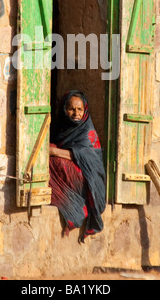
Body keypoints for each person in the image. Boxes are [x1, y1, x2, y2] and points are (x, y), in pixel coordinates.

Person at [49, 90, 106, 242]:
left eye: (80, 109)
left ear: (85, 110)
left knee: (54, 160)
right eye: (72, 109)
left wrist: (54, 151)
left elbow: (84, 155)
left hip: (88, 182)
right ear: (64, 110)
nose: (76, 113)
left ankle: (79, 206)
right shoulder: (60, 129)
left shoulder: (87, 131)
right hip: (73, 178)